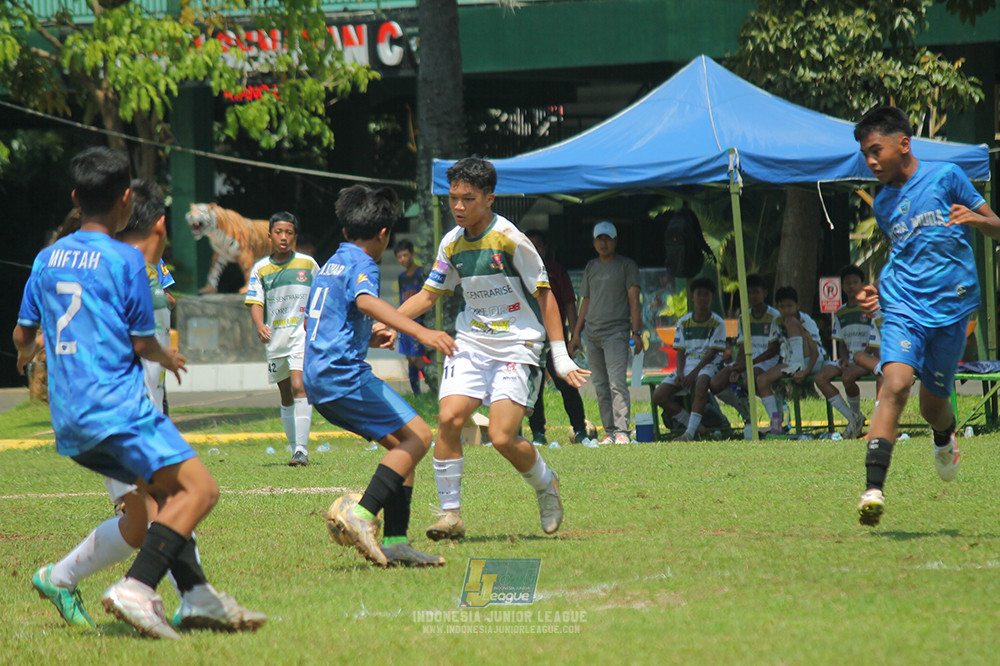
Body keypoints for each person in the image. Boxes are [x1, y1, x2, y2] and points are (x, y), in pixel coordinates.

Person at [14, 147, 262, 640]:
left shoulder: (46, 258)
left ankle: (196, 597)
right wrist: (167, 357)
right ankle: (136, 588)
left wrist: (28, 363)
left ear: (75, 197)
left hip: (71, 420)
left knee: (162, 498)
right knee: (200, 490)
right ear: (126, 199)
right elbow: (142, 340)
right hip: (117, 408)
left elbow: (23, 338)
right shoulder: (126, 260)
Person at [396, 157, 589, 541]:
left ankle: (546, 484)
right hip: (470, 341)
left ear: (489, 198)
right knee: (449, 419)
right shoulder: (451, 243)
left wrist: (561, 354)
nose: (458, 207)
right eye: (453, 199)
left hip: (518, 345)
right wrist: (388, 320)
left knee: (502, 437)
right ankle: (450, 515)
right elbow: (427, 295)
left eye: (468, 199)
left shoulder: (511, 239)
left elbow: (546, 296)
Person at [853, 106, 1000, 526]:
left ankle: (943, 434)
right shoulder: (883, 202)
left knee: (933, 404)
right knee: (894, 384)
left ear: (904, 143)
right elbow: (906, 254)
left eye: (876, 150)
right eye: (866, 154)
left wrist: (976, 219)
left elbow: (997, 226)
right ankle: (873, 489)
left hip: (951, 309)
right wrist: (877, 292)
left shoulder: (947, 177)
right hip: (904, 307)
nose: (871, 161)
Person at [304, 184, 458, 567]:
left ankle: (396, 541)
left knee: (401, 446)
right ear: (384, 235)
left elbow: (333, 320)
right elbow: (366, 301)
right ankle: (361, 514)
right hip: (342, 376)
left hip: (319, 377)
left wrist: (368, 334)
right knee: (421, 436)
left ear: (345, 230)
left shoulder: (333, 261)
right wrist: (419, 331)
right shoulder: (362, 263)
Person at [245, 212, 319, 466]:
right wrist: (259, 325)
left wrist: (313, 317)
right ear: (270, 236)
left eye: (289, 233)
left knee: (300, 386)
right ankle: (294, 449)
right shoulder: (261, 268)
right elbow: (255, 301)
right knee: (285, 393)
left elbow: (320, 294)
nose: (283, 237)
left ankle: (302, 449)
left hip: (301, 336)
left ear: (295, 237)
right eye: (278, 232)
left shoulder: (308, 264)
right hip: (276, 340)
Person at [567, 220, 642, 445]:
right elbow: (585, 302)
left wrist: (636, 332)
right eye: (600, 238)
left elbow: (634, 301)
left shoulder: (626, 266)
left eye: (608, 238)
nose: (604, 242)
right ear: (593, 241)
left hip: (616, 332)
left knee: (617, 383)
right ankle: (609, 432)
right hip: (592, 333)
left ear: (615, 241)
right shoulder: (591, 267)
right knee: (600, 385)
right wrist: (576, 334)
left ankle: (622, 431)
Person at [524, 229, 589, 445]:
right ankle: (538, 434)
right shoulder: (519, 272)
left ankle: (580, 430)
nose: (534, 249)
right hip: (529, 341)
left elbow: (570, 304)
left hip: (555, 341)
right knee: (534, 389)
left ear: (546, 248)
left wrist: (573, 336)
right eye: (529, 245)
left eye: (538, 245)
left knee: (567, 384)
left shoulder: (557, 272)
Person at [653, 278, 726, 441]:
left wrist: (694, 373)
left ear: (712, 298)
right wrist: (680, 372)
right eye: (698, 294)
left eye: (706, 295)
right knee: (659, 395)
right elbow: (680, 351)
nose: (702, 298)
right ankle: (693, 426)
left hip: (709, 364)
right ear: (692, 297)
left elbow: (712, 354)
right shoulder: (684, 321)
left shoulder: (718, 322)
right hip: (687, 365)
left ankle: (689, 434)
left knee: (700, 385)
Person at [710, 273, 781, 429]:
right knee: (715, 383)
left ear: (765, 293)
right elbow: (742, 346)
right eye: (748, 292)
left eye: (756, 292)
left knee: (750, 380)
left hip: (767, 362)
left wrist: (747, 365)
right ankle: (747, 413)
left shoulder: (774, 316)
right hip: (748, 362)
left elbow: (774, 349)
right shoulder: (744, 317)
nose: (752, 296)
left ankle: (776, 419)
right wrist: (738, 366)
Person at [813, 265, 873, 439]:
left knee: (847, 377)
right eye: (848, 283)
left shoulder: (870, 309)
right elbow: (840, 342)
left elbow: (875, 338)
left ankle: (855, 421)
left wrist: (864, 357)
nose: (851, 285)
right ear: (843, 286)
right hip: (850, 358)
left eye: (855, 282)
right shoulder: (840, 312)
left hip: (868, 358)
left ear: (863, 284)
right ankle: (853, 417)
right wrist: (844, 359)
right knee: (820, 378)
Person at [755, 286, 824, 434]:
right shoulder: (777, 321)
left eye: (789, 306)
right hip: (790, 363)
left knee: (791, 321)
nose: (786, 310)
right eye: (782, 306)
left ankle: (797, 364)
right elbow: (776, 348)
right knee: (761, 381)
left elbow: (815, 351)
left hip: (811, 361)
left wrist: (806, 371)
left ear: (798, 305)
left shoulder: (805, 320)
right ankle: (776, 425)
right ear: (777, 307)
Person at [394, 239, 438, 396]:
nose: (403, 260)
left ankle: (434, 387)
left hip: (418, 321)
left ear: (412, 254)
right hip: (404, 322)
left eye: (405, 255)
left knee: (416, 358)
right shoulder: (401, 277)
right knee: (410, 360)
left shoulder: (421, 273)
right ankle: (417, 395)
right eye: (399, 257)